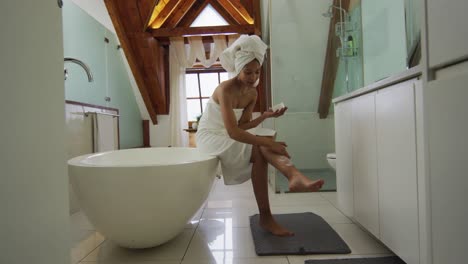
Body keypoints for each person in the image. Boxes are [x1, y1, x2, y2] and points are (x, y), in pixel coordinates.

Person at [195, 35, 324, 236]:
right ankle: (285, 187)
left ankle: (291, 180)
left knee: (265, 141)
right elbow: (233, 131)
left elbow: (244, 126)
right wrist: (265, 143)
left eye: (257, 72)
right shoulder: (225, 90)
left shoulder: (252, 94)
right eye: (248, 72)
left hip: (230, 134)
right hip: (210, 136)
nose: (253, 77)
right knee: (262, 145)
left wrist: (265, 115)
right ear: (238, 68)